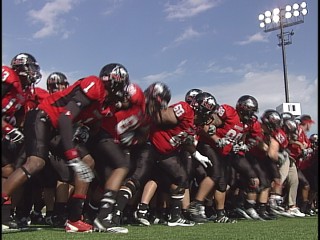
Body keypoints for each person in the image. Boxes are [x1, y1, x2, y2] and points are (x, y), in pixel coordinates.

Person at [1, 63, 130, 233]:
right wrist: (71, 155)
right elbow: (65, 117)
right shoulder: (94, 85)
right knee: (36, 163)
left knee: (87, 161)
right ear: (116, 80)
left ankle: (74, 219)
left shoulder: (102, 103)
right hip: (42, 118)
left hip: (55, 128)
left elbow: (83, 123)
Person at [135, 82, 213, 227]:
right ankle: (141, 211)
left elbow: (185, 140)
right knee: (146, 178)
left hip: (167, 151)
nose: (209, 118)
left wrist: (197, 154)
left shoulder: (195, 122)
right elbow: (159, 117)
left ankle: (164, 214)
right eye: (207, 113)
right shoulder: (184, 110)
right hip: (154, 147)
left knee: (173, 178)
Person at [2, 53, 42, 230]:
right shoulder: (8, 77)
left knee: (8, 171)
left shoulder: (24, 90)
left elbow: (17, 115)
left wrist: (18, 127)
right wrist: (8, 129)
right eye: (31, 68)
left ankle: (3, 216)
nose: (33, 72)